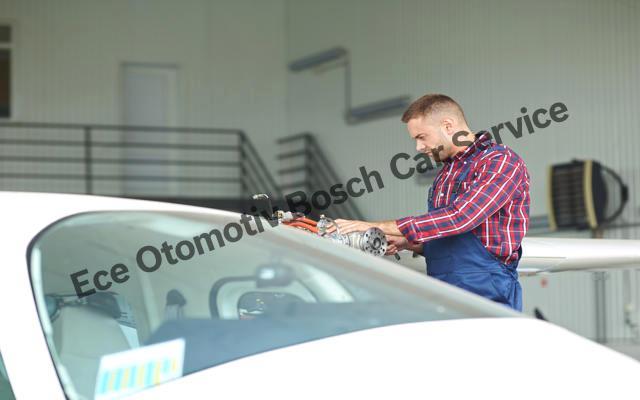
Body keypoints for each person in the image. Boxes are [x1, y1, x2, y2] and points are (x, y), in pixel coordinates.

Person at [334, 94, 530, 311]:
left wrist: (376, 226)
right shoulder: (445, 175)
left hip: (487, 290)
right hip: (443, 289)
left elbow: (461, 218)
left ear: (448, 126)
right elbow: (452, 239)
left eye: (422, 137)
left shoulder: (499, 162)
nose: (419, 147)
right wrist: (410, 243)